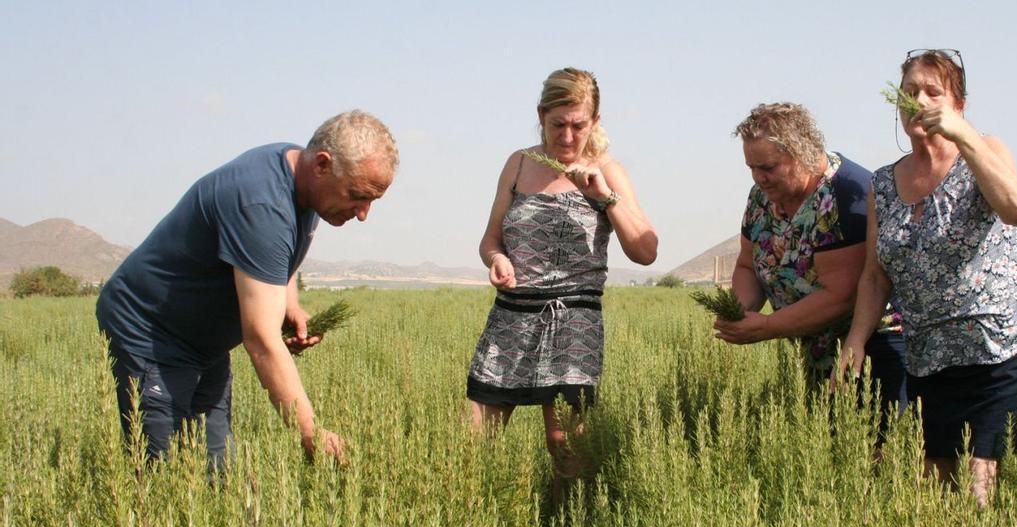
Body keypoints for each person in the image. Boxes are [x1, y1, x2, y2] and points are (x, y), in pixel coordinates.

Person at [97, 110, 399, 468]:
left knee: (215, 465)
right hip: (153, 331)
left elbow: (278, 256)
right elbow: (261, 341)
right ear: (322, 164)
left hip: (203, 341)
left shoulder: (301, 179)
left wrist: (290, 304)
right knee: (165, 473)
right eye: (358, 196)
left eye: (372, 201)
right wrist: (310, 431)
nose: (363, 213)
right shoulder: (261, 203)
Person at [835, 49, 1017, 506]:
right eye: (910, 92)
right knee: (935, 483)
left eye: (933, 92)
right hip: (930, 356)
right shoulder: (884, 184)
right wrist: (855, 339)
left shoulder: (986, 151)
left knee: (980, 486)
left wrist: (963, 137)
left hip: (999, 343)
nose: (920, 101)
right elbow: (875, 277)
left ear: (959, 105)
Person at [467, 68, 658, 486]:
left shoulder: (608, 170)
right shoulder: (518, 164)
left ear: (595, 122)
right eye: (558, 125)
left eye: (579, 126)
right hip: (511, 318)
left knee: (565, 443)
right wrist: (497, 259)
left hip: (574, 322)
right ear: (541, 116)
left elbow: (646, 251)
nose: (568, 137)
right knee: (475, 438)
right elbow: (490, 239)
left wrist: (604, 197)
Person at [715, 102, 908, 427]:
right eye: (752, 167)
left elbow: (841, 295)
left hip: (870, 349)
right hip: (813, 348)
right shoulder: (762, 197)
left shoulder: (845, 193)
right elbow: (748, 265)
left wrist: (764, 327)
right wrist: (739, 309)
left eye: (768, 167)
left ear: (801, 153)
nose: (759, 177)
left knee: (873, 452)